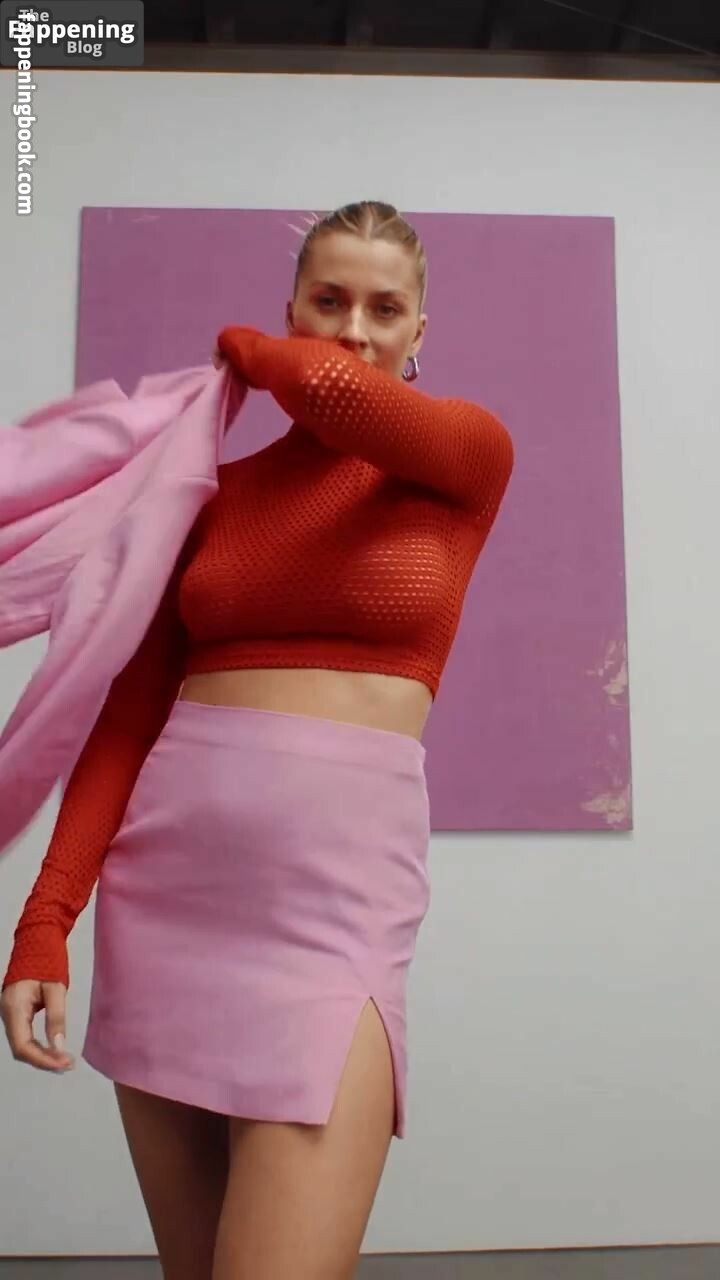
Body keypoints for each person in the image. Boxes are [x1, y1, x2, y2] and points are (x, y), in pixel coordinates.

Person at [1, 200, 514, 1279]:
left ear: (420, 331)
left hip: (333, 920)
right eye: (329, 300)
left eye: (385, 308)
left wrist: (255, 353)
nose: (354, 329)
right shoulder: (209, 497)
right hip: (167, 908)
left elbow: (333, 389)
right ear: (295, 307)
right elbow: (128, 720)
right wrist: (45, 922)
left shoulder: (465, 458)